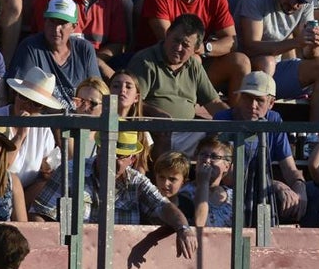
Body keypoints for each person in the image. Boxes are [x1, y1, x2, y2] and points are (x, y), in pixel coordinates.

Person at [29, 128, 197, 262]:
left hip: (119, 263)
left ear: (132, 159)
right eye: (108, 153)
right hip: (73, 260)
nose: (112, 160)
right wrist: (52, 255)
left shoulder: (137, 182)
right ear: (99, 149)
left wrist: (183, 228)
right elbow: (40, 213)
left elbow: (163, 206)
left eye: (119, 156)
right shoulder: (71, 170)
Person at [138, 0, 248, 96]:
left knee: (241, 62)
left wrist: (203, 48)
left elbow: (231, 42)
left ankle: (236, 118)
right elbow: (170, 43)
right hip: (158, 64)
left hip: (195, 62)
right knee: (193, 59)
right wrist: (198, 50)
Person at [236, 0, 319, 131]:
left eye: (301, 0)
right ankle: (258, 130)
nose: (295, 4)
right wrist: (296, 42)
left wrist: (314, 44)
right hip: (247, 71)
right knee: (267, 62)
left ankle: (312, 137)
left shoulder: (305, 5)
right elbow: (250, 47)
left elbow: (308, 54)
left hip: (276, 72)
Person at [212, 70, 308, 224]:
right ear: (240, 98)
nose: (252, 105)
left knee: (308, 196)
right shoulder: (222, 119)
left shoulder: (273, 120)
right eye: (247, 98)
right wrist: (274, 184)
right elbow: (225, 175)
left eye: (259, 100)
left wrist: (300, 188)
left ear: (271, 103)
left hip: (259, 191)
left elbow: (290, 168)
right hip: (227, 190)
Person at [127, 14, 229, 157]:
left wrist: (234, 119)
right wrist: (155, 112)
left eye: (186, 45)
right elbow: (132, 101)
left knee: (223, 142)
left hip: (187, 132)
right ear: (167, 34)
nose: (178, 47)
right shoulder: (145, 61)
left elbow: (213, 102)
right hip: (153, 132)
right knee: (162, 134)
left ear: (197, 48)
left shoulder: (194, 65)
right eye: (175, 40)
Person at [7, 0, 100, 113]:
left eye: (62, 23)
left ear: (74, 27)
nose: (56, 29)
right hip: (41, 121)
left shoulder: (85, 49)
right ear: (44, 22)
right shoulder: (30, 46)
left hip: (79, 120)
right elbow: (17, 94)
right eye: (52, 21)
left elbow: (97, 91)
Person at [0, 65, 63, 202]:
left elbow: (47, 170)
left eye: (36, 104)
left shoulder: (43, 130)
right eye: (24, 97)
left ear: (43, 108)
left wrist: (48, 170)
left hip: (26, 193)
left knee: (45, 185)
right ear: (16, 94)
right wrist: (20, 135)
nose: (28, 105)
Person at [189, 134, 234, 227]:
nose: (207, 160)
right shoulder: (185, 193)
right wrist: (203, 183)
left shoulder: (233, 197)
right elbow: (199, 224)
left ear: (227, 166)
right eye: (203, 155)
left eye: (214, 157)